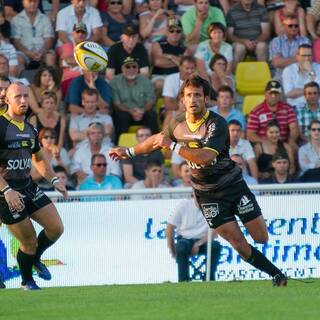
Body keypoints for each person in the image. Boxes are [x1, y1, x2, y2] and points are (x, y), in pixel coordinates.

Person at [109, 74, 287, 286]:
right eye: (188, 95)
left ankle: (273, 268)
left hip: (233, 187)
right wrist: (128, 152)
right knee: (238, 243)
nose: (193, 100)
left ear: (206, 99)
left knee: (261, 238)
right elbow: (156, 141)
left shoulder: (217, 124)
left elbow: (205, 158)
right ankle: (277, 275)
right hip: (207, 194)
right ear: (182, 100)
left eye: (197, 95)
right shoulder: (177, 122)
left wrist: (173, 146)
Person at [0, 83, 67, 290]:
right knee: (28, 241)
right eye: (17, 96)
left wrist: (54, 179)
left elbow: (38, 157)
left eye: (26, 96)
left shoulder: (30, 128)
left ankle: (36, 258)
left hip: (28, 186)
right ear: (7, 100)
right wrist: (6, 190)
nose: (23, 100)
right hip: (6, 192)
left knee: (56, 228)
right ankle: (27, 281)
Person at [166, 197, 222, 282]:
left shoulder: (211, 206)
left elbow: (215, 230)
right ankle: (183, 281)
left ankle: (210, 279)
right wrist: (173, 250)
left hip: (204, 240)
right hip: (185, 239)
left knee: (215, 247)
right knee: (181, 248)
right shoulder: (184, 205)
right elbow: (170, 228)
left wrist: (198, 244)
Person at [110, 56, 158, 139]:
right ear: (122, 68)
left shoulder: (145, 81)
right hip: (125, 112)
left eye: (134, 66)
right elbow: (116, 104)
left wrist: (142, 110)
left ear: (138, 68)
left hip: (142, 111)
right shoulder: (115, 82)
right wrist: (131, 111)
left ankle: (155, 143)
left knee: (152, 115)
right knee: (121, 116)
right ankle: (120, 144)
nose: (131, 69)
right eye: (127, 67)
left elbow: (150, 100)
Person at [247, 80, 299, 150]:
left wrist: (291, 140)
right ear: (265, 94)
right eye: (270, 93)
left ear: (280, 94)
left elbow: (294, 128)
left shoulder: (288, 108)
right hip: (264, 145)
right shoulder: (256, 111)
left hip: (284, 143)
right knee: (257, 148)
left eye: (276, 93)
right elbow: (250, 134)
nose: (273, 96)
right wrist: (266, 143)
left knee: (293, 145)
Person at [11, 0, 55, 70]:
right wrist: (28, 52)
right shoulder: (16, 20)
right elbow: (16, 41)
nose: (33, 4)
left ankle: (53, 79)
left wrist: (42, 51)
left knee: (50, 57)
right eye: (29, 1)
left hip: (43, 51)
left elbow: (48, 39)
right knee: (17, 59)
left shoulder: (45, 19)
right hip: (24, 53)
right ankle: (18, 81)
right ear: (23, 2)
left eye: (35, 1)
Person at [226, 0, 270, 71]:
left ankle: (262, 76)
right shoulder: (232, 11)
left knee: (262, 46)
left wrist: (255, 41)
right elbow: (230, 35)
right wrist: (243, 41)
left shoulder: (261, 9)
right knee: (240, 48)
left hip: (257, 41)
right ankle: (234, 76)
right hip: (239, 42)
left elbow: (266, 32)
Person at [151, 16, 186, 97]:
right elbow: (157, 62)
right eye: (171, 31)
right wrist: (178, 61)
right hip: (160, 75)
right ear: (167, 32)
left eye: (178, 31)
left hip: (177, 76)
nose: (175, 33)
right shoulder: (158, 44)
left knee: (187, 86)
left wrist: (170, 56)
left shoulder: (184, 48)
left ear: (181, 33)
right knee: (160, 84)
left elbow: (185, 65)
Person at [269, 14, 311, 81]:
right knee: (272, 89)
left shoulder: (305, 40)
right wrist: (299, 58)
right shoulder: (276, 41)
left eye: (296, 26)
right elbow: (276, 63)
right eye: (290, 26)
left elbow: (306, 61)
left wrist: (283, 60)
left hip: (300, 76)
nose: (293, 28)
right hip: (280, 78)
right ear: (284, 26)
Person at [282, 43, 320, 110]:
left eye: (309, 55)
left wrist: (311, 71)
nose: (307, 58)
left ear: (312, 56)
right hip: (295, 107)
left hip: (316, 107)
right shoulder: (288, 70)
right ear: (297, 56)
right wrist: (312, 92)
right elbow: (289, 94)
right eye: (304, 55)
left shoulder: (318, 68)